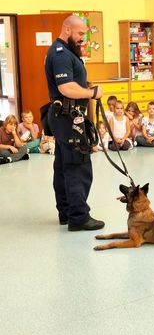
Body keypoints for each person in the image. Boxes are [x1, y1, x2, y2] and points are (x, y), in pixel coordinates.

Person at [45, 15, 104, 231]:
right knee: (77, 166)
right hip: (68, 117)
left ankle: (66, 212)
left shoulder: (66, 51)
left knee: (63, 165)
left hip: (65, 117)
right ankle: (78, 217)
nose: (83, 38)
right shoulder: (60, 53)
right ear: (67, 30)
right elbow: (66, 88)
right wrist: (91, 92)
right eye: (80, 34)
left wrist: (86, 87)